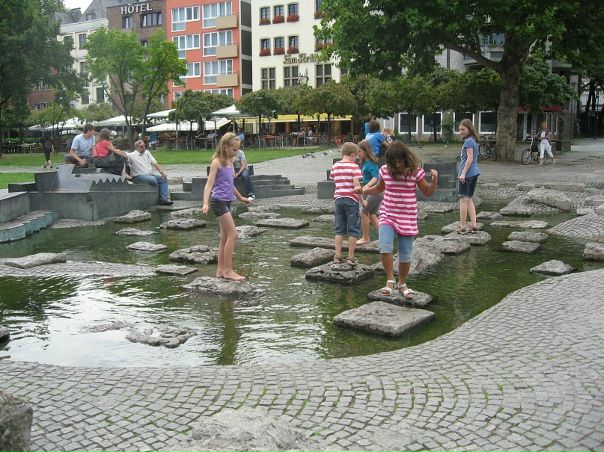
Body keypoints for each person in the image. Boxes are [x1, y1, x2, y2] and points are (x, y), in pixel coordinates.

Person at [363, 141, 438, 299]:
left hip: (407, 217)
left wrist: (434, 181)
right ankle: (390, 280)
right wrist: (364, 190)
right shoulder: (385, 170)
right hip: (388, 214)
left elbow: (427, 192)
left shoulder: (415, 172)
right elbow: (379, 188)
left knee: (405, 254)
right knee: (385, 247)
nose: (397, 165)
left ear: (406, 158)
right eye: (394, 162)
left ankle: (402, 283)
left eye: (400, 161)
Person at [202, 133, 252, 281]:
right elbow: (209, 185)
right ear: (225, 147)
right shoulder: (216, 162)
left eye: (237, 149)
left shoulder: (230, 162)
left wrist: (241, 198)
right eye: (234, 150)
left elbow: (230, 184)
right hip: (218, 202)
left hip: (227, 202)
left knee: (224, 237)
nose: (236, 152)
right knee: (233, 235)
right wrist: (205, 203)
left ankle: (220, 270)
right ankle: (228, 271)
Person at [109, 140, 173, 206]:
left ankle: (164, 200)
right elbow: (122, 153)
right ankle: (157, 194)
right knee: (153, 180)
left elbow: (155, 163)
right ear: (137, 147)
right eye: (141, 146)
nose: (144, 147)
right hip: (138, 177)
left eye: (144, 145)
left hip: (149, 175)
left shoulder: (147, 153)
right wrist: (113, 149)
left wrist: (162, 173)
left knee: (163, 179)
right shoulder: (132, 155)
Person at [330, 142, 362, 266]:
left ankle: (337, 256)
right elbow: (356, 185)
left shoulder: (335, 166)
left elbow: (335, 182)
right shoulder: (354, 166)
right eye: (356, 156)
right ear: (353, 154)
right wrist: (362, 200)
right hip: (351, 199)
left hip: (338, 199)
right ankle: (350, 258)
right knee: (353, 230)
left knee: (339, 230)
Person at [457, 118, 480, 234]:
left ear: (469, 129)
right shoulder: (474, 140)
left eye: (463, 129)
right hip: (475, 172)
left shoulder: (468, 142)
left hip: (468, 174)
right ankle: (474, 224)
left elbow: (470, 158)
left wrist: (463, 173)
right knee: (469, 199)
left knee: (463, 200)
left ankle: (462, 225)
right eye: (460, 130)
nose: (461, 132)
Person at [357, 140, 382, 245]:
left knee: (363, 213)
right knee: (372, 215)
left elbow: (375, 177)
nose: (358, 153)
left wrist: (367, 186)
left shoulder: (370, 163)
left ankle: (366, 237)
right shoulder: (367, 162)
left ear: (366, 151)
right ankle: (383, 238)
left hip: (375, 192)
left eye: (359, 151)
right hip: (377, 192)